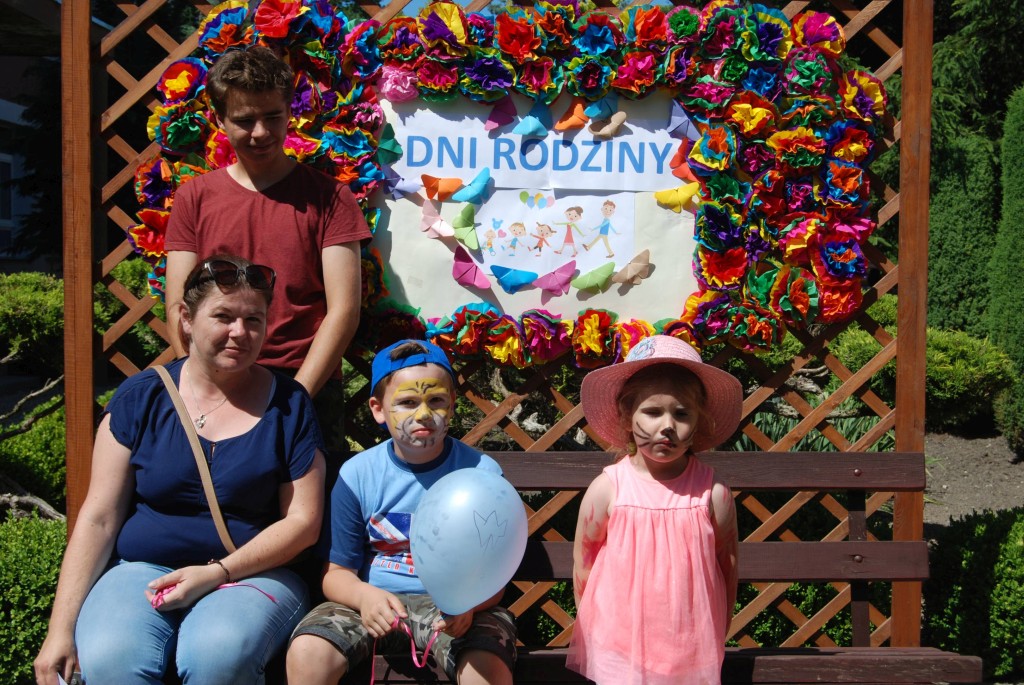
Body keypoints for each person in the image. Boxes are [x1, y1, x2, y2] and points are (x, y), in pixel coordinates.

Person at [34, 256, 326, 685]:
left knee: (218, 655)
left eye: (253, 320)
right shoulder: (140, 398)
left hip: (251, 574)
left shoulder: (289, 404)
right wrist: (59, 630)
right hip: (142, 570)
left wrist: (218, 573)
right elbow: (98, 518)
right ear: (186, 319)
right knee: (112, 658)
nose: (240, 332)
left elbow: (303, 522)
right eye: (223, 317)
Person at [164, 45, 371, 451]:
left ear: (290, 112)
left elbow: (344, 310)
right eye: (244, 120)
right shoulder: (194, 198)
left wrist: (296, 398)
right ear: (219, 120)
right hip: (217, 381)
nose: (260, 132)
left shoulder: (330, 198)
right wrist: (202, 382)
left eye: (272, 117)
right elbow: (179, 307)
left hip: (303, 384)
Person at [286, 339, 516, 685]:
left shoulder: (482, 475)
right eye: (407, 402)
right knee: (308, 652)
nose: (423, 414)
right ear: (378, 409)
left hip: (456, 609)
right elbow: (336, 574)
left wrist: (470, 603)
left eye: (436, 401)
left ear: (452, 404)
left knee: (486, 667)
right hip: (371, 602)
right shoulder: (358, 475)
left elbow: (496, 572)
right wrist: (363, 596)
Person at [567, 334, 741, 685]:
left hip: (689, 649)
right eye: (652, 412)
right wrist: (592, 630)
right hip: (617, 644)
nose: (667, 426)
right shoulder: (608, 488)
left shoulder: (712, 493)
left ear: (699, 421)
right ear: (627, 416)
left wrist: (717, 629)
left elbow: (728, 565)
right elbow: (583, 563)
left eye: (681, 414)